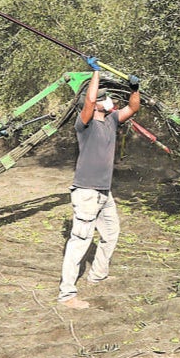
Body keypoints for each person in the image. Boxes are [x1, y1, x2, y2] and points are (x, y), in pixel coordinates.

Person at [58, 57, 140, 310]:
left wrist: (134, 90)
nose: (111, 102)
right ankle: (66, 294)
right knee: (80, 241)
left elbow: (133, 108)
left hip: (104, 192)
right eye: (106, 99)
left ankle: (97, 274)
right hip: (86, 192)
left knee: (111, 233)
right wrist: (96, 74)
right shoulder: (85, 124)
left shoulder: (112, 121)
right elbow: (90, 101)